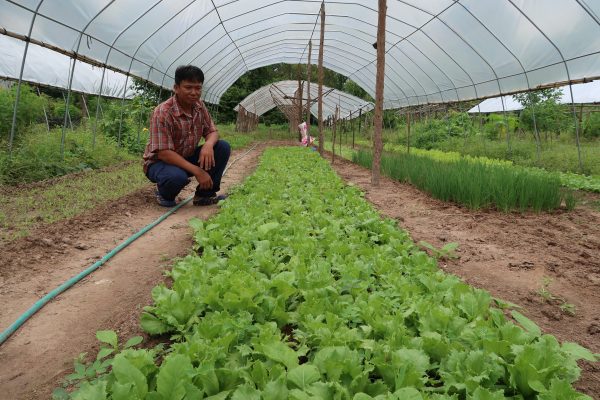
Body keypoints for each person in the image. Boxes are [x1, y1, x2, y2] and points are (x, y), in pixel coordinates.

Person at [143, 65, 230, 207]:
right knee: (176, 177)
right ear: (176, 88)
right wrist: (198, 171)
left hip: (185, 157)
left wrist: (208, 145)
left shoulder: (199, 106)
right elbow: (164, 153)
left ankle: (204, 195)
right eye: (188, 87)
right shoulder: (163, 112)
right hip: (159, 163)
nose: (194, 92)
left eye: (198, 88)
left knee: (222, 147)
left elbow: (212, 131)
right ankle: (164, 192)